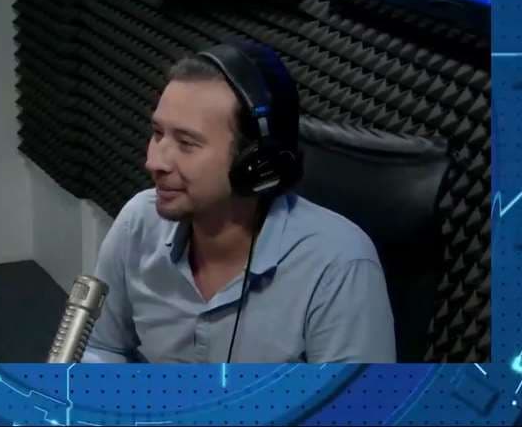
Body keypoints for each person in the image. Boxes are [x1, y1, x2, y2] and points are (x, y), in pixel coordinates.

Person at [82, 40, 396, 363]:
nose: (154, 162)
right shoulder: (138, 223)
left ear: (255, 162)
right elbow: (101, 347)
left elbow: (355, 397)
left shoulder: (338, 265)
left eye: (186, 143)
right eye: (158, 133)